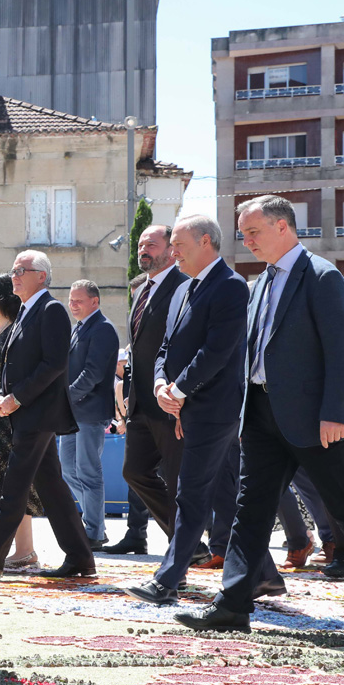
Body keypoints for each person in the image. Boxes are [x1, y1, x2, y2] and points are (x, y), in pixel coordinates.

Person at [177, 197, 344, 630]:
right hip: (262, 414)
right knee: (251, 509)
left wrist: (335, 412)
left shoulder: (322, 276)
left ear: (283, 226)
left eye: (253, 232)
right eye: (243, 233)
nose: (246, 241)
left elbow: (343, 351)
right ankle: (232, 606)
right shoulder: (261, 281)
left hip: (313, 419)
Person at [125, 214, 282, 606]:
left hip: (214, 408)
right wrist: (161, 384)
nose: (174, 252)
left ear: (206, 242)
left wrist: (178, 390)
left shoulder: (230, 286)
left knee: (191, 493)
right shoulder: (184, 288)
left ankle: (167, 581)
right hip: (184, 405)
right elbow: (165, 348)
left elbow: (217, 350)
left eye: (179, 245)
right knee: (225, 495)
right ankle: (265, 576)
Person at [0, 250, 95, 582]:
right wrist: (4, 398)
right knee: (53, 489)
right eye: (13, 271)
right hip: (22, 412)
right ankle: (81, 557)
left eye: (20, 270)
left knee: (13, 488)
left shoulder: (51, 309)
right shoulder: (26, 310)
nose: (14, 276)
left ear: (41, 276)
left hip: (36, 413)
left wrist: (17, 397)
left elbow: (54, 364)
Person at [105, 226, 189, 558]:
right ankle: (187, 541)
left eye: (151, 244)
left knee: (178, 479)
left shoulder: (184, 286)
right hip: (140, 402)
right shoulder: (142, 290)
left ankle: (184, 547)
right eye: (140, 244)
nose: (143, 249)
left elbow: (182, 346)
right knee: (134, 472)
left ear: (171, 250)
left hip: (170, 401)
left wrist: (181, 394)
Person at [0, 273, 43, 568]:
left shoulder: (15, 330)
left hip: (5, 417)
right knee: (3, 482)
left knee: (2, 482)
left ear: (0, 297)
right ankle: (20, 551)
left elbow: (8, 382)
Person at [59, 279, 119, 549]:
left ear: (94, 301)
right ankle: (95, 524)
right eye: (70, 300)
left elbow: (92, 373)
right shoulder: (79, 327)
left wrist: (66, 397)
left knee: (88, 471)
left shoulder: (102, 328)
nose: (72, 305)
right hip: (74, 412)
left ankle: (94, 532)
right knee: (68, 469)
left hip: (90, 412)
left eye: (78, 301)